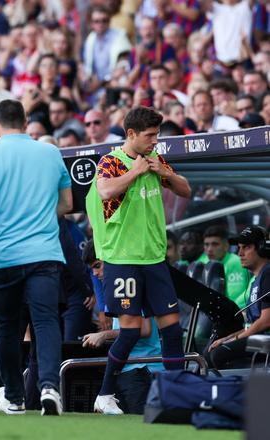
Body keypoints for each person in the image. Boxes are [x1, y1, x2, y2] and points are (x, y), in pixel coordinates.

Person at [0, 99, 73, 416]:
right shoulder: (50, 152)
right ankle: (50, 387)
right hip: (44, 253)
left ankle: (13, 395)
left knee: (7, 328)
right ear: (26, 122)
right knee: (45, 321)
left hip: (3, 255)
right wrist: (39, 216)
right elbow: (67, 204)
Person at [85, 106, 191, 415]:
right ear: (131, 134)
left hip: (153, 257)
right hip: (123, 258)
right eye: (150, 135)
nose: (155, 141)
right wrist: (137, 172)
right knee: (130, 331)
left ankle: (175, 396)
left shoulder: (156, 161)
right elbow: (105, 191)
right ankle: (105, 395)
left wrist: (166, 173)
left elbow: (185, 190)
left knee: (171, 329)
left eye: (157, 135)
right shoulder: (112, 162)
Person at [82, 239, 163, 414]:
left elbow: (144, 329)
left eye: (97, 265)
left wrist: (104, 335)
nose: (95, 273)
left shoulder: (131, 283)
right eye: (92, 269)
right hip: (128, 369)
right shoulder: (117, 286)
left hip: (142, 369)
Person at [206, 226, 270, 369]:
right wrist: (227, 338)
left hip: (266, 341)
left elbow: (266, 321)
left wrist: (234, 340)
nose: (240, 253)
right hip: (260, 338)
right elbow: (251, 325)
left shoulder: (268, 274)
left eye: (246, 247)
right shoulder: (256, 280)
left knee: (219, 354)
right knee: (212, 350)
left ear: (261, 248)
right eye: (239, 248)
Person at [198, 225, 250, 309]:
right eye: (206, 245)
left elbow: (234, 297)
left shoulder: (235, 262)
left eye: (215, 244)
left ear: (226, 246)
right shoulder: (202, 262)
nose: (209, 249)